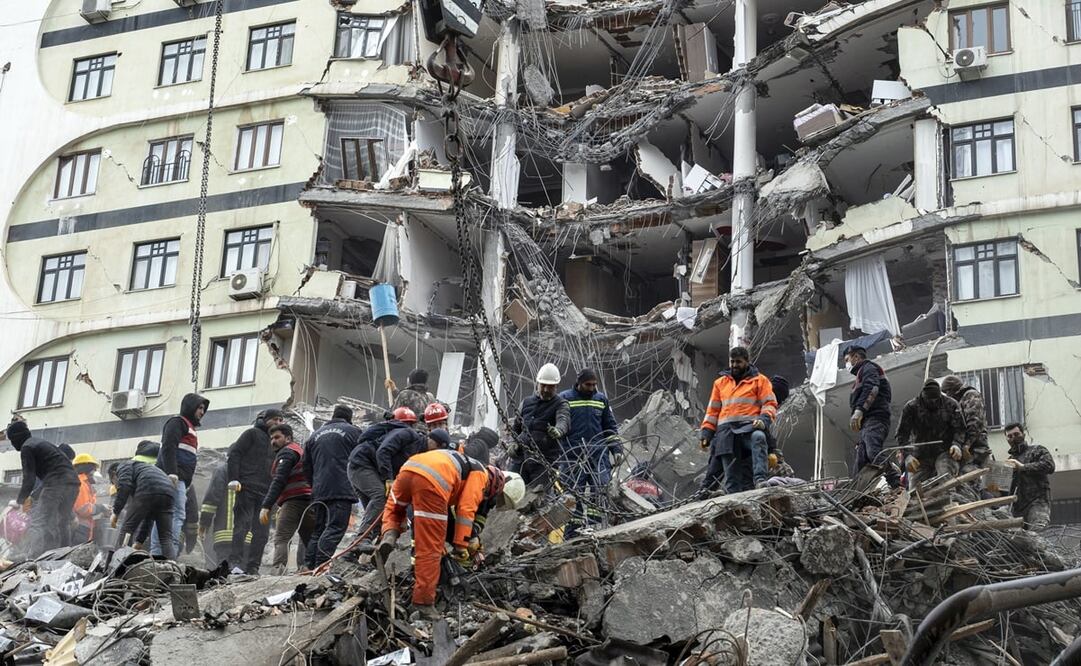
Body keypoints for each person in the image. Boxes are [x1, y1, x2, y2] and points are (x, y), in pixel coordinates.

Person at [377, 449, 490, 619]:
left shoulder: (465, 461)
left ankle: (389, 535)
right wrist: (461, 545)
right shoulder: (481, 474)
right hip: (432, 482)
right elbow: (466, 510)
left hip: (408, 469)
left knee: (394, 510)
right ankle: (423, 603)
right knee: (430, 548)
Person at [699, 347, 778, 493]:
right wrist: (707, 434)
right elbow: (713, 411)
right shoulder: (720, 383)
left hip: (749, 429)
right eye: (732, 362)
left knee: (759, 437)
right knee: (731, 477)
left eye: (738, 362)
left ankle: (760, 480)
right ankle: (731, 494)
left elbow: (770, 403)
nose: (735, 365)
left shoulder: (760, 381)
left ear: (747, 362)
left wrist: (763, 420)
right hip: (726, 434)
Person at [347, 407, 419, 549]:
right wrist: (388, 479)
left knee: (377, 511)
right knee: (380, 496)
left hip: (357, 466)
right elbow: (383, 452)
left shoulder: (387, 432)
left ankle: (357, 551)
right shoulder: (405, 434)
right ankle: (362, 540)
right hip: (362, 465)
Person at [6, 420, 80, 557]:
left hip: (57, 482)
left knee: (38, 522)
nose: (12, 444)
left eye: (11, 440)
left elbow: (29, 478)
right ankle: (65, 555)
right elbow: (46, 482)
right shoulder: (41, 443)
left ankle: (33, 557)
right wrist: (33, 496)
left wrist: (20, 501)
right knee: (62, 522)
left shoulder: (27, 447)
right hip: (73, 483)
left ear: (17, 437)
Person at [560, 368, 620, 535]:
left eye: (594, 384)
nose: (592, 388)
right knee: (573, 493)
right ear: (579, 383)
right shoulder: (565, 399)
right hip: (573, 455)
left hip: (598, 454)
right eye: (588, 384)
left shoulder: (601, 400)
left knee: (600, 489)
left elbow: (610, 427)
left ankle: (596, 529)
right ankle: (572, 533)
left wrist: (616, 449)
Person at [226, 408, 284, 575]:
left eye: (281, 420)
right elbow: (235, 454)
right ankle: (235, 563)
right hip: (247, 488)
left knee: (261, 533)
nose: (278, 423)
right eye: (275, 419)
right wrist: (234, 478)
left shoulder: (276, 443)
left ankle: (253, 567)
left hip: (266, 494)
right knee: (242, 526)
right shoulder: (251, 434)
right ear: (265, 420)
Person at [303, 405, 362, 569]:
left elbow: (305, 466)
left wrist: (315, 485)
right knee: (335, 527)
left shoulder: (314, 436)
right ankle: (321, 565)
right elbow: (363, 457)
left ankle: (309, 566)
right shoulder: (354, 432)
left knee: (318, 529)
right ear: (349, 418)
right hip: (341, 489)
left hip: (319, 490)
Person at [156, 393, 210, 555]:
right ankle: (167, 553)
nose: (202, 412)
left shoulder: (189, 428)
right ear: (190, 407)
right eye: (200, 408)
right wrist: (172, 473)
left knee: (165, 515)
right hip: (174, 479)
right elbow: (168, 447)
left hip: (178, 479)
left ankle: (159, 553)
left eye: (203, 409)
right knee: (176, 514)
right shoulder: (178, 422)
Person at [259, 424, 314, 574]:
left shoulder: (287, 452)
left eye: (277, 437)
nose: (273, 441)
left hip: (293, 501)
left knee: (282, 538)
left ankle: (278, 570)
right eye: (271, 438)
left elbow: (279, 479)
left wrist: (267, 505)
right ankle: (312, 568)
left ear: (288, 438)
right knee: (309, 538)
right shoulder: (299, 451)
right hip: (308, 501)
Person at [110, 440, 177, 559]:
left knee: (127, 529)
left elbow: (124, 486)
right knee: (166, 538)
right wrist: (139, 541)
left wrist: (115, 512)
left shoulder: (124, 465)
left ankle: (120, 563)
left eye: (113, 482)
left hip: (149, 486)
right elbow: (149, 516)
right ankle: (173, 566)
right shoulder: (144, 469)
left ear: (115, 474)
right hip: (169, 491)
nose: (115, 486)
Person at [896, 379, 967, 490]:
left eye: (935, 400)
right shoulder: (911, 407)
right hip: (920, 454)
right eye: (930, 400)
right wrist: (907, 455)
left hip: (945, 450)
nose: (933, 402)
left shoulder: (951, 404)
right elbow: (902, 434)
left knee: (946, 477)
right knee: (915, 489)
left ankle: (949, 498)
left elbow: (960, 428)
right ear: (923, 396)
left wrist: (956, 444)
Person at [845, 345, 898, 488]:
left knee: (873, 451)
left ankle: (895, 481)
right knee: (861, 462)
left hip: (875, 418)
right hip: (868, 422)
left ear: (856, 357)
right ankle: (856, 492)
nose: (847, 364)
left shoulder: (868, 368)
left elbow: (872, 388)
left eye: (847, 359)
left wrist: (859, 410)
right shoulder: (862, 372)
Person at [512, 363, 570, 489]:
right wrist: (513, 444)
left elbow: (563, 420)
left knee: (540, 496)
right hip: (521, 459)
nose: (546, 390)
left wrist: (558, 430)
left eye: (550, 387)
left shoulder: (561, 404)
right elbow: (516, 428)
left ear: (556, 386)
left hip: (544, 463)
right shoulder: (526, 403)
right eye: (543, 385)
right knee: (511, 491)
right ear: (537, 383)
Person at [1004, 423, 1055, 530]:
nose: (1013, 438)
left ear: (1023, 434)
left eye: (1016, 434)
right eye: (1010, 436)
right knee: (1019, 539)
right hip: (1017, 510)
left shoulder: (1037, 450)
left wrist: (1022, 467)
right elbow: (1007, 490)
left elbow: (1049, 465)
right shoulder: (1008, 462)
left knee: (1037, 534)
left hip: (1037, 504)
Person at [940, 375, 990, 474]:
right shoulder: (957, 401)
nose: (947, 395)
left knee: (971, 477)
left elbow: (975, 422)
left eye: (947, 391)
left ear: (953, 389)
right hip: (964, 447)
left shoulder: (970, 395)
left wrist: (967, 444)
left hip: (975, 447)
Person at [199, 463, 245, 569]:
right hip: (247, 537)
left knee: (225, 571)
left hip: (226, 534)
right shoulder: (253, 472)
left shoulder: (223, 470)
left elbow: (211, 500)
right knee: (244, 571)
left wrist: (204, 525)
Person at [71, 453, 101, 545]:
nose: (95, 471)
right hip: (79, 528)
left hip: (82, 528)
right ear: (87, 468)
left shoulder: (86, 484)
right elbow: (82, 509)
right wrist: (101, 508)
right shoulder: (81, 483)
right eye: (93, 469)